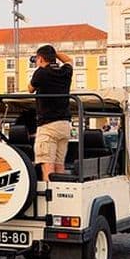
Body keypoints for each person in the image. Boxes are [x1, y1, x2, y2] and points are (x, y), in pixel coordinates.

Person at [28, 44, 73, 180]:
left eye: (37, 59)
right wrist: (54, 54)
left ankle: (50, 191)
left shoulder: (41, 73)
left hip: (48, 125)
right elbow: (69, 60)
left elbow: (30, 89)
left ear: (40, 58)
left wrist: (41, 65)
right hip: (64, 124)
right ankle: (60, 190)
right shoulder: (65, 71)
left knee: (47, 164)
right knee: (59, 165)